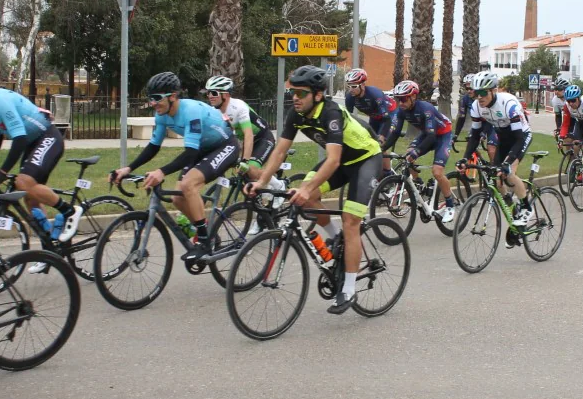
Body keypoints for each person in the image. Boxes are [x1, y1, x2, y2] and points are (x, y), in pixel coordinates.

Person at [247, 65, 382, 314]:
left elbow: (332, 160)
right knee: (304, 198)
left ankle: (349, 290)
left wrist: (308, 188)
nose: (295, 98)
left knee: (351, 221)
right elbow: (279, 151)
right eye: (292, 93)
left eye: (301, 93)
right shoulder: (296, 114)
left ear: (317, 95)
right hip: (342, 161)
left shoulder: (330, 113)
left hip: (365, 160)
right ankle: (334, 236)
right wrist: (262, 182)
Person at [110, 72, 240, 263]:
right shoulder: (162, 115)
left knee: (188, 185)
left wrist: (161, 171)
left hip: (225, 146)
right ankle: (209, 234)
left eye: (157, 98)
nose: (153, 103)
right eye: (150, 99)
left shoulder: (190, 112)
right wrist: (128, 168)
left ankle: (203, 242)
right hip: (203, 148)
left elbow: (189, 153)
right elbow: (154, 146)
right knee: (177, 198)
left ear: (172, 96)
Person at [0, 62, 83, 242]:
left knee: (23, 182)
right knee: (30, 198)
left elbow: (19, 139)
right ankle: (51, 246)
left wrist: (3, 172)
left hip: (47, 137)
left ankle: (69, 211)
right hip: (31, 142)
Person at [458, 71, 534, 245]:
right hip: (503, 137)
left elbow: (519, 138)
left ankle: (526, 207)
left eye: (483, 92)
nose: (479, 97)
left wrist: (507, 163)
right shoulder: (477, 106)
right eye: (476, 93)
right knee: (497, 179)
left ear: (494, 90)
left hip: (520, 136)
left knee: (508, 172)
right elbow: (475, 135)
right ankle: (512, 207)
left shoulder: (508, 104)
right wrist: (465, 158)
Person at [385, 80, 457, 222]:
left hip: (443, 135)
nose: (400, 103)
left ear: (413, 97)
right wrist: (381, 149)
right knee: (408, 155)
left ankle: (450, 204)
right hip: (427, 133)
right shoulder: (401, 111)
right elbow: (394, 134)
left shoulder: (426, 108)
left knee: (437, 171)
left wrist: (416, 152)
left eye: (404, 99)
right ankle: (419, 183)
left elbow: (431, 137)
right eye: (398, 99)